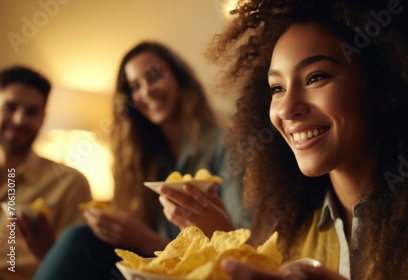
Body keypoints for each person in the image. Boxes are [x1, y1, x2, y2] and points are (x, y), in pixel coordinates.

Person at [204, 0, 408, 279]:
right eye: (276, 88)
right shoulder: (292, 236)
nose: (287, 109)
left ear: (384, 85)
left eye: (315, 77)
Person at [33, 41, 247, 280]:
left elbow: (245, 243)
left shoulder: (228, 144)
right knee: (83, 236)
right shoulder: (139, 159)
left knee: (79, 238)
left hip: (212, 271)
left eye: (154, 76)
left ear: (178, 77)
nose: (146, 91)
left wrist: (147, 240)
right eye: (135, 86)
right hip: (153, 270)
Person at [0, 66, 92, 280]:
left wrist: (48, 251)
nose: (19, 120)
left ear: (42, 119)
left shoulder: (69, 183)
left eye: (31, 112)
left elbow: (80, 271)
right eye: (10, 107)